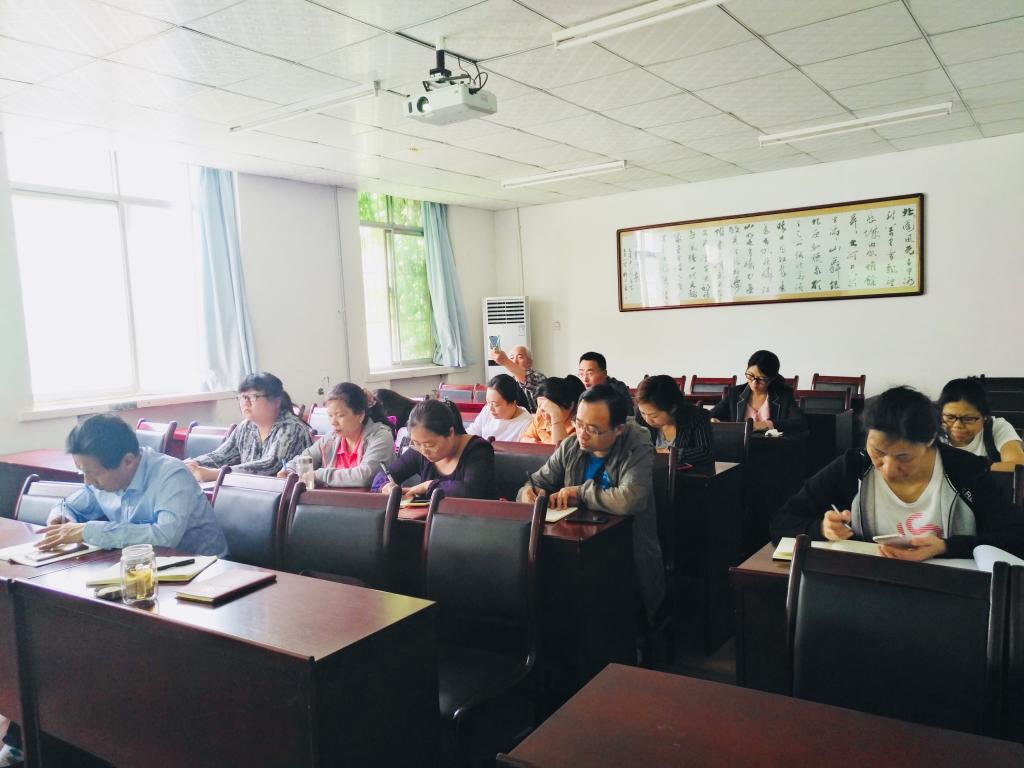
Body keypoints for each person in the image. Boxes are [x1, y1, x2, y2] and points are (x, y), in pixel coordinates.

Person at [771, 386, 1024, 561]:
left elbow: (1015, 538)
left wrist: (946, 546)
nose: (889, 469)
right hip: (868, 584)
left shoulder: (966, 471)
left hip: (949, 589)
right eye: (878, 451)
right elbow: (782, 521)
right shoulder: (853, 466)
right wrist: (822, 528)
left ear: (930, 440)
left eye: (904, 457)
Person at [517, 384, 665, 622]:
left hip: (625, 552)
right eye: (578, 424)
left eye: (593, 429)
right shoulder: (571, 445)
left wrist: (580, 493)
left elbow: (631, 499)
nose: (582, 434)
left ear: (618, 429)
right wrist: (527, 493)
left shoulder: (636, 444)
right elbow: (535, 482)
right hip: (576, 548)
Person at [185, 372, 313, 481]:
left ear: (276, 402)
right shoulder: (246, 427)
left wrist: (217, 474)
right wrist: (194, 464)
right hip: (253, 492)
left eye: (253, 397)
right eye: (242, 397)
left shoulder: (291, 428)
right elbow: (222, 455)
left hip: (285, 498)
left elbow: (270, 466)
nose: (245, 403)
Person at [371, 399, 496, 500]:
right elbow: (383, 475)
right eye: (416, 443)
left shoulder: (478, 449)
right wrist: (386, 486)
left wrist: (428, 486)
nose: (423, 450)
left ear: (450, 433)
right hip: (429, 520)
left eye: (430, 445)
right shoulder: (420, 449)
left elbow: (470, 491)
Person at [280, 383, 395, 488]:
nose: (333, 422)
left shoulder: (381, 436)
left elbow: (364, 476)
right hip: (333, 501)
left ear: (360, 415)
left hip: (369, 503)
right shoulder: (331, 438)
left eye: (340, 415)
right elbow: (305, 458)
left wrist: (318, 475)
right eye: (330, 416)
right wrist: (289, 470)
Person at [937, 378, 1024, 472]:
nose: (957, 425)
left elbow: (1019, 466)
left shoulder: (996, 428)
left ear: (984, 417)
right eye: (950, 417)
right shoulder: (934, 430)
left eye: (968, 419)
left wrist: (972, 467)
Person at [710, 349, 806, 433]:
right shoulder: (735, 393)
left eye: (761, 379)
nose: (754, 383)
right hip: (740, 445)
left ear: (772, 378)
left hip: (772, 445)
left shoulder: (783, 395)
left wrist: (764, 425)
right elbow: (709, 416)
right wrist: (712, 420)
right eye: (750, 375)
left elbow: (799, 422)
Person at [636, 375, 714, 465]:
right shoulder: (641, 416)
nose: (647, 420)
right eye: (643, 413)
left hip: (686, 472)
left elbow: (705, 452)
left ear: (673, 408)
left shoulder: (697, 417)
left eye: (654, 416)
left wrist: (670, 454)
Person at [466, 374, 534, 442]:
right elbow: (472, 432)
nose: (490, 409)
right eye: (488, 402)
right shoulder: (487, 410)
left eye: (496, 404)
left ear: (513, 403)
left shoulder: (527, 424)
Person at [520, 376, 585, 445]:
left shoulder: (579, 426)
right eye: (543, 410)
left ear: (570, 406)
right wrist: (533, 442)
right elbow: (525, 438)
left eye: (551, 410)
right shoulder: (540, 414)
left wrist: (555, 416)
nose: (545, 416)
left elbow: (560, 449)